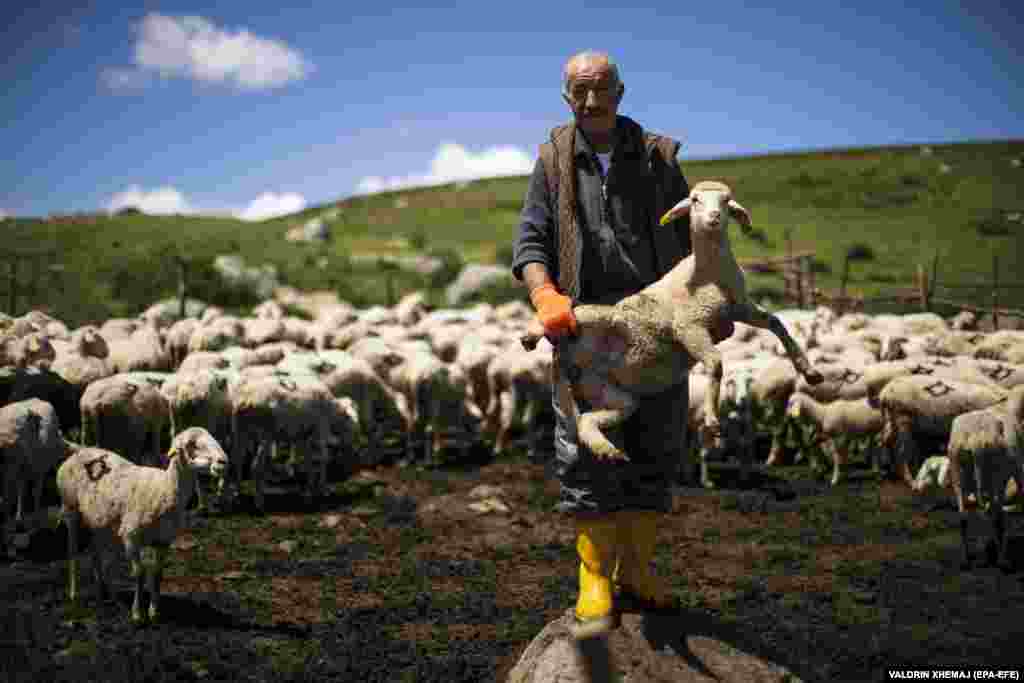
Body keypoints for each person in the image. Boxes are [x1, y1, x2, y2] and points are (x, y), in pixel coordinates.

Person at [511, 50, 732, 629]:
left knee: (656, 444)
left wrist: (713, 305)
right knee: (585, 457)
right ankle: (593, 578)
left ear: (621, 91)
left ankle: (638, 572)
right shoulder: (553, 161)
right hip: (587, 332)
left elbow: (698, 243)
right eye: (579, 92)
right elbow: (531, 244)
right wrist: (545, 297)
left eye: (601, 90)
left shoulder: (658, 159)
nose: (590, 102)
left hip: (659, 327)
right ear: (565, 97)